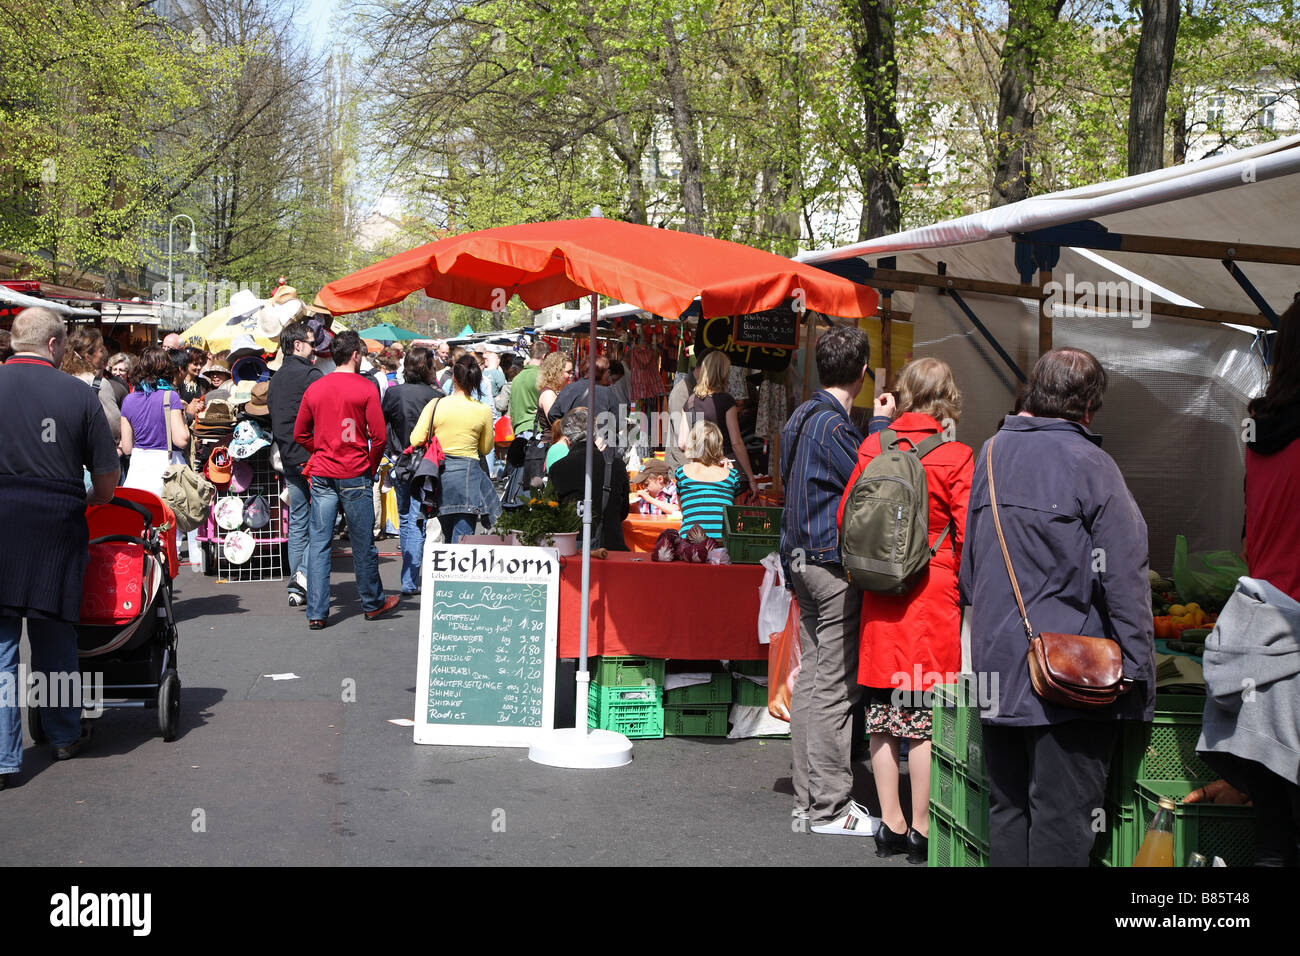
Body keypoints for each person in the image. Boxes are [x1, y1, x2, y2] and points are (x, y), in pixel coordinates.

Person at [959, 347, 1154, 867]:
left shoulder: (992, 453)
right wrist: (1137, 675)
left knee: (1008, 811)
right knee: (1063, 824)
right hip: (1069, 679)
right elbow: (1125, 579)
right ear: (1088, 406)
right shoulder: (1093, 464)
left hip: (999, 669)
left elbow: (970, 575)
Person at [837, 358, 973, 863]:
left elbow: (846, 515)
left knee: (881, 715)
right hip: (932, 595)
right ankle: (920, 827)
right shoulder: (958, 455)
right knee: (923, 716)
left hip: (881, 591)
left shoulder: (873, 445)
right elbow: (967, 534)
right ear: (947, 397)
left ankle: (888, 823)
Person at [1192, 296, 1300, 866]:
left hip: (1262, 637)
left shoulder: (1261, 435)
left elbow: (1250, 542)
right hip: (1293, 646)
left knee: (1275, 835)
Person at [0, 308, 119, 787]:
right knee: (55, 637)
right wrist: (95, 498)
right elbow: (107, 480)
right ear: (54, 345)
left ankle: (5, 759)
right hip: (56, 524)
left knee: (2, 645)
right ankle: (65, 732)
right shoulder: (78, 395)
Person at [778, 324, 874, 835]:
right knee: (832, 688)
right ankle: (829, 807)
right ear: (861, 373)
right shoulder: (834, 427)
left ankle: (809, 803)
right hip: (827, 566)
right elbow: (868, 487)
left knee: (814, 684)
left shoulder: (799, 417)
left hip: (798, 563)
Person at [293, 330, 400, 630]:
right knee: (363, 544)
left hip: (324, 472)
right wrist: (370, 465)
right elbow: (378, 436)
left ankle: (316, 611)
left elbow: (300, 433)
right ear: (356, 355)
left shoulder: (316, 388)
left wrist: (322, 448)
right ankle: (372, 603)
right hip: (354, 471)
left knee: (319, 543)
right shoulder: (365, 388)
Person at [410, 353, 500, 543]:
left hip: (440, 476)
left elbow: (416, 438)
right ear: (475, 380)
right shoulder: (482, 410)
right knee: (463, 539)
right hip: (468, 477)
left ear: (454, 378)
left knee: (447, 532)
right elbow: (485, 448)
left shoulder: (436, 405)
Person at [268, 321, 324, 607]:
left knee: (300, 521)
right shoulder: (310, 375)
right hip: (311, 458)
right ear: (298, 345)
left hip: (288, 458)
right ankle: (302, 576)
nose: (315, 350)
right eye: (312, 343)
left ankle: (297, 585)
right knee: (320, 520)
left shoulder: (276, 378)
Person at [382, 346, 444, 594]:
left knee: (408, 518)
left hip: (400, 461)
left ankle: (409, 577)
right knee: (415, 519)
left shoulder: (394, 393)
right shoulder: (435, 396)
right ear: (427, 367)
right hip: (425, 463)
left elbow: (382, 425)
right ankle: (409, 578)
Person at [679, 350, 758, 499]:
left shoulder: (689, 402)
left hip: (699, 473)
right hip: (724, 470)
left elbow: (683, 443)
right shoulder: (726, 401)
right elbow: (736, 443)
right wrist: (751, 478)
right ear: (722, 373)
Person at [549, 406, 630, 550]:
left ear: (567, 440)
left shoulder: (558, 468)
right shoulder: (616, 465)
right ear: (594, 434)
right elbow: (623, 511)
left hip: (573, 549)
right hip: (611, 548)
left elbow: (552, 512)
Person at [120, 346, 190, 495]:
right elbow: (181, 440)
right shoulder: (170, 397)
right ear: (167, 369)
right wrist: (184, 418)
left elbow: (126, 447)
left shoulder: (128, 400)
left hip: (137, 475)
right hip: (166, 476)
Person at [674, 420, 741, 540]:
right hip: (724, 544)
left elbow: (683, 509)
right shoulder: (732, 476)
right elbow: (736, 513)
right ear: (718, 444)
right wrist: (730, 473)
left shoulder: (682, 473)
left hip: (690, 543)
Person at [60, 327, 122, 449]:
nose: (104, 353)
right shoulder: (98, 383)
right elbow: (115, 426)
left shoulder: (61, 379)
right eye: (100, 349)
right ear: (88, 356)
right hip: (92, 455)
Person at [177, 347, 210, 417]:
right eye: (195, 364)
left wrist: (203, 406)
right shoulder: (178, 383)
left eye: (201, 364)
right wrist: (189, 408)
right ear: (186, 364)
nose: (199, 367)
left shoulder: (204, 383)